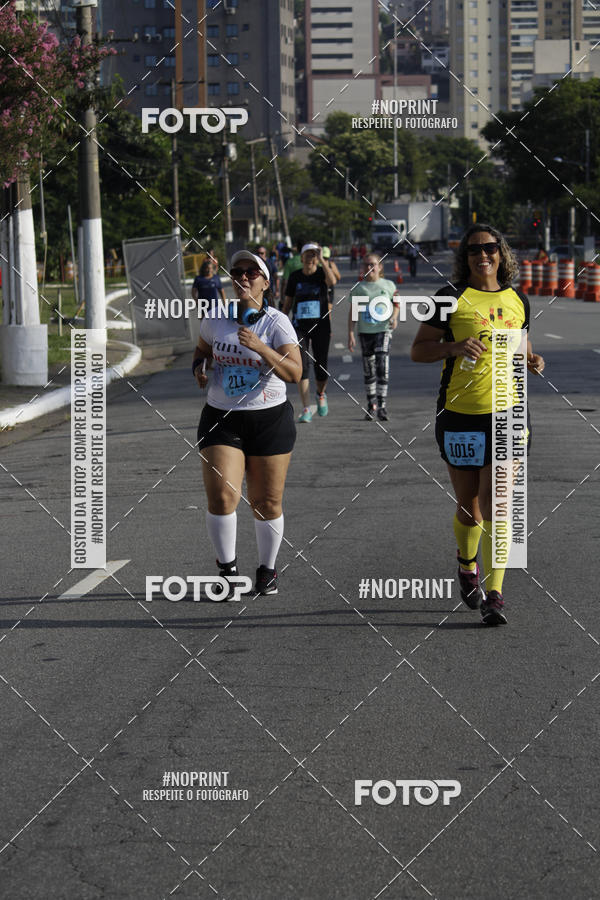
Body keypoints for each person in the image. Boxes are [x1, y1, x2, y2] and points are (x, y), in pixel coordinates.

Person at [410, 224, 545, 626]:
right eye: (473, 250)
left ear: (501, 253)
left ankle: (495, 594)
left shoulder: (518, 299)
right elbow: (418, 350)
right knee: (470, 508)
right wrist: (453, 346)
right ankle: (466, 564)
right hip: (459, 414)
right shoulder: (448, 298)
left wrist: (533, 360)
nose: (482, 255)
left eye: (489, 248)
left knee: (498, 505)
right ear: (465, 257)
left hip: (509, 415)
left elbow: (522, 347)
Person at [193, 250, 302, 596]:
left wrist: (261, 348)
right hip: (221, 417)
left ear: (265, 283)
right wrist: (199, 368)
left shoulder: (276, 323)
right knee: (223, 495)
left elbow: (295, 373)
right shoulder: (215, 318)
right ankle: (228, 571)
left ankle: (267, 570)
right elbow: (202, 351)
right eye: (237, 271)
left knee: (265, 502)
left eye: (251, 272)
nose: (242, 277)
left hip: (269, 418)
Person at [283, 243, 337, 422]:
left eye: (314, 255)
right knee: (303, 366)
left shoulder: (322, 273)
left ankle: (321, 394)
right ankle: (306, 408)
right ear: (301, 257)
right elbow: (288, 301)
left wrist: (322, 260)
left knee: (321, 366)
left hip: (321, 326)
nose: (310, 258)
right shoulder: (295, 277)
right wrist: (280, 321)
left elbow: (332, 281)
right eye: (307, 254)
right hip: (299, 327)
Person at [348, 253, 399, 421]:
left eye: (373, 264)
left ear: (380, 267)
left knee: (382, 365)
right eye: (366, 264)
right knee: (369, 369)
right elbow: (353, 312)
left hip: (383, 330)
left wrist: (394, 317)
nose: (369, 267)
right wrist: (350, 333)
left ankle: (382, 406)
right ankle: (371, 405)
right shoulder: (358, 288)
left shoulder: (388, 285)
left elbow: (396, 303)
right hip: (365, 332)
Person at [280, 239, 303, 308]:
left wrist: (282, 298)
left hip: (295, 298)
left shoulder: (290, 262)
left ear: (297, 249)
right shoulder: (312, 262)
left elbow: (285, 282)